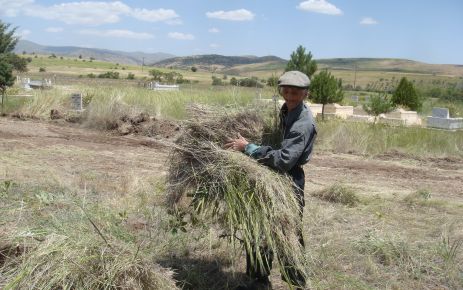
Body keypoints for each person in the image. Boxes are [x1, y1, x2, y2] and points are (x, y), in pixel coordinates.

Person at [225, 70, 317, 290]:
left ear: (305, 93)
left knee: (287, 230)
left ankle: (297, 283)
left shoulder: (303, 123)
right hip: (272, 173)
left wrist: (249, 148)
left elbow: (285, 159)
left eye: (296, 91)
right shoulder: (287, 109)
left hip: (288, 177)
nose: (290, 94)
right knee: (259, 225)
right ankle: (259, 281)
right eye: (286, 90)